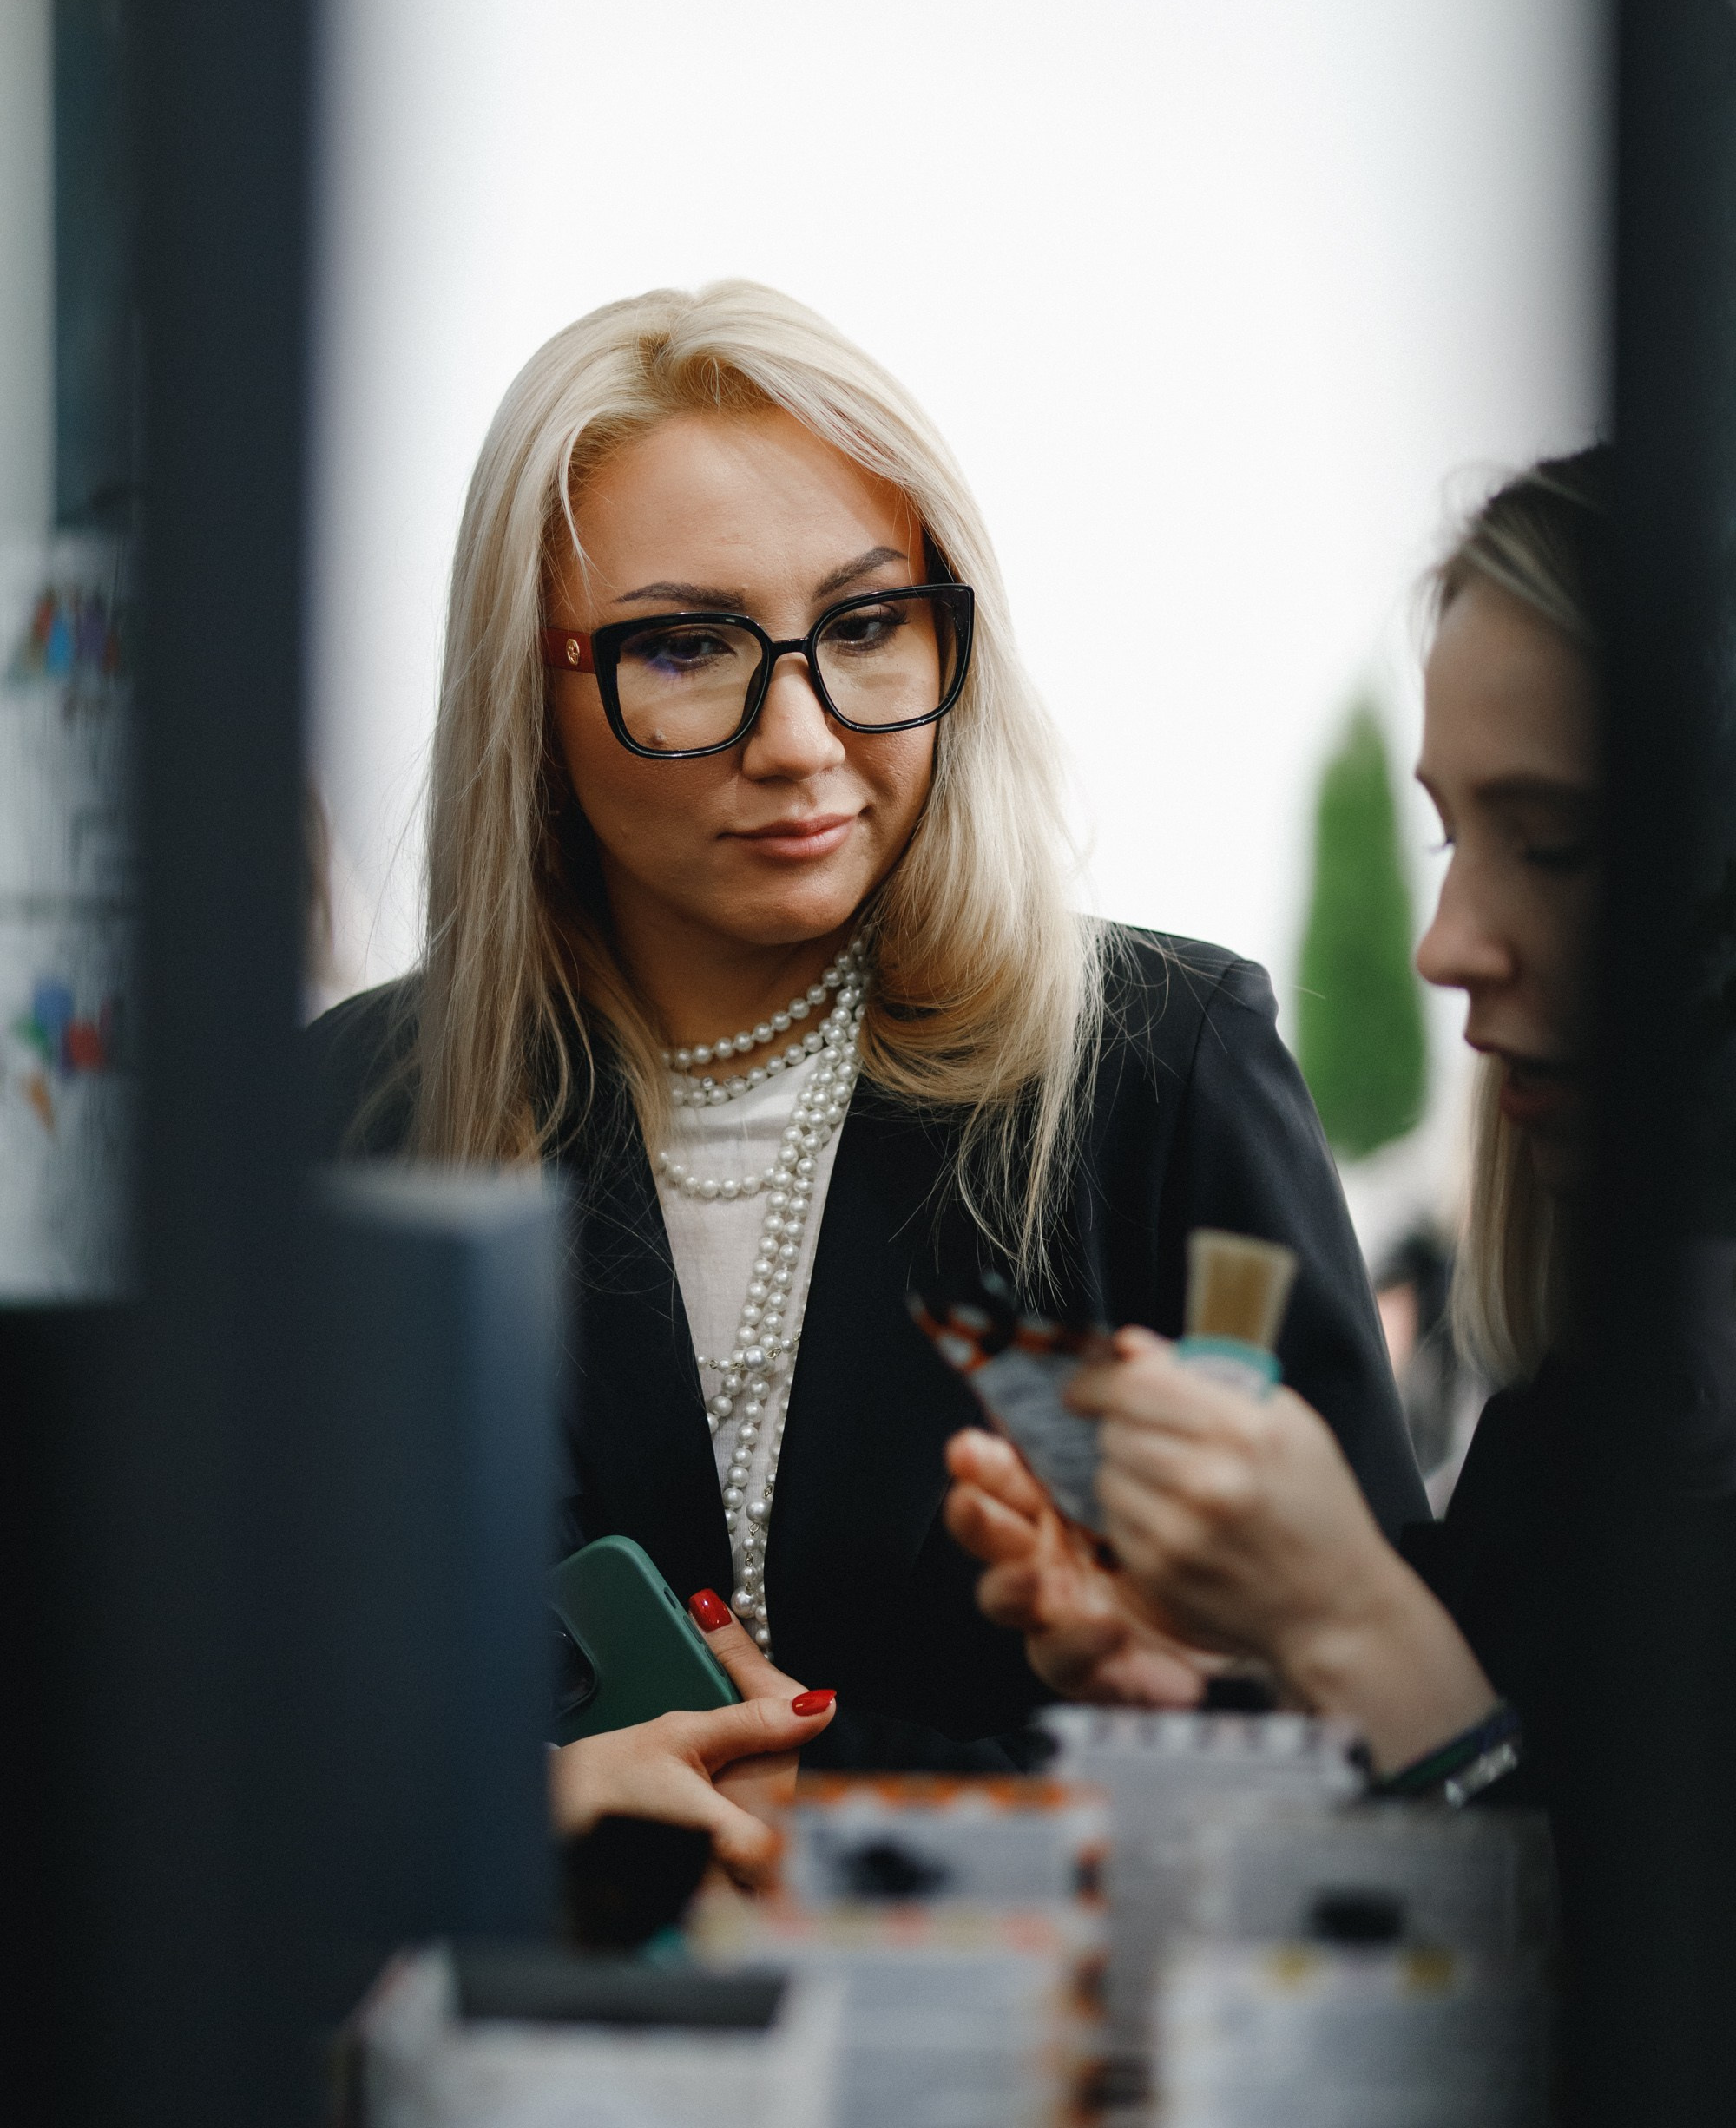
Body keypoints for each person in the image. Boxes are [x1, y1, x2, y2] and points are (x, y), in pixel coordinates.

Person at [304, 279, 1422, 1825]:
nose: (804, 739)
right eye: (686, 646)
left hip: (1051, 2043)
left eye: (867, 625)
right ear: (528, 687)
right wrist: (511, 1820)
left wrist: (1191, 1677)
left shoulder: (1160, 1071)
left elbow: (1403, 1714)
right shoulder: (349, 1116)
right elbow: (230, 1733)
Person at [945, 447, 1610, 1806]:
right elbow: (1532, 1730)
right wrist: (1231, 1673)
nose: (1441, 948)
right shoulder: (1584, 1426)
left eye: (1551, 843)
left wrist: (1349, 1623)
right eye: (1449, 840)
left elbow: (1591, 1978)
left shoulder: (1171, 1038)